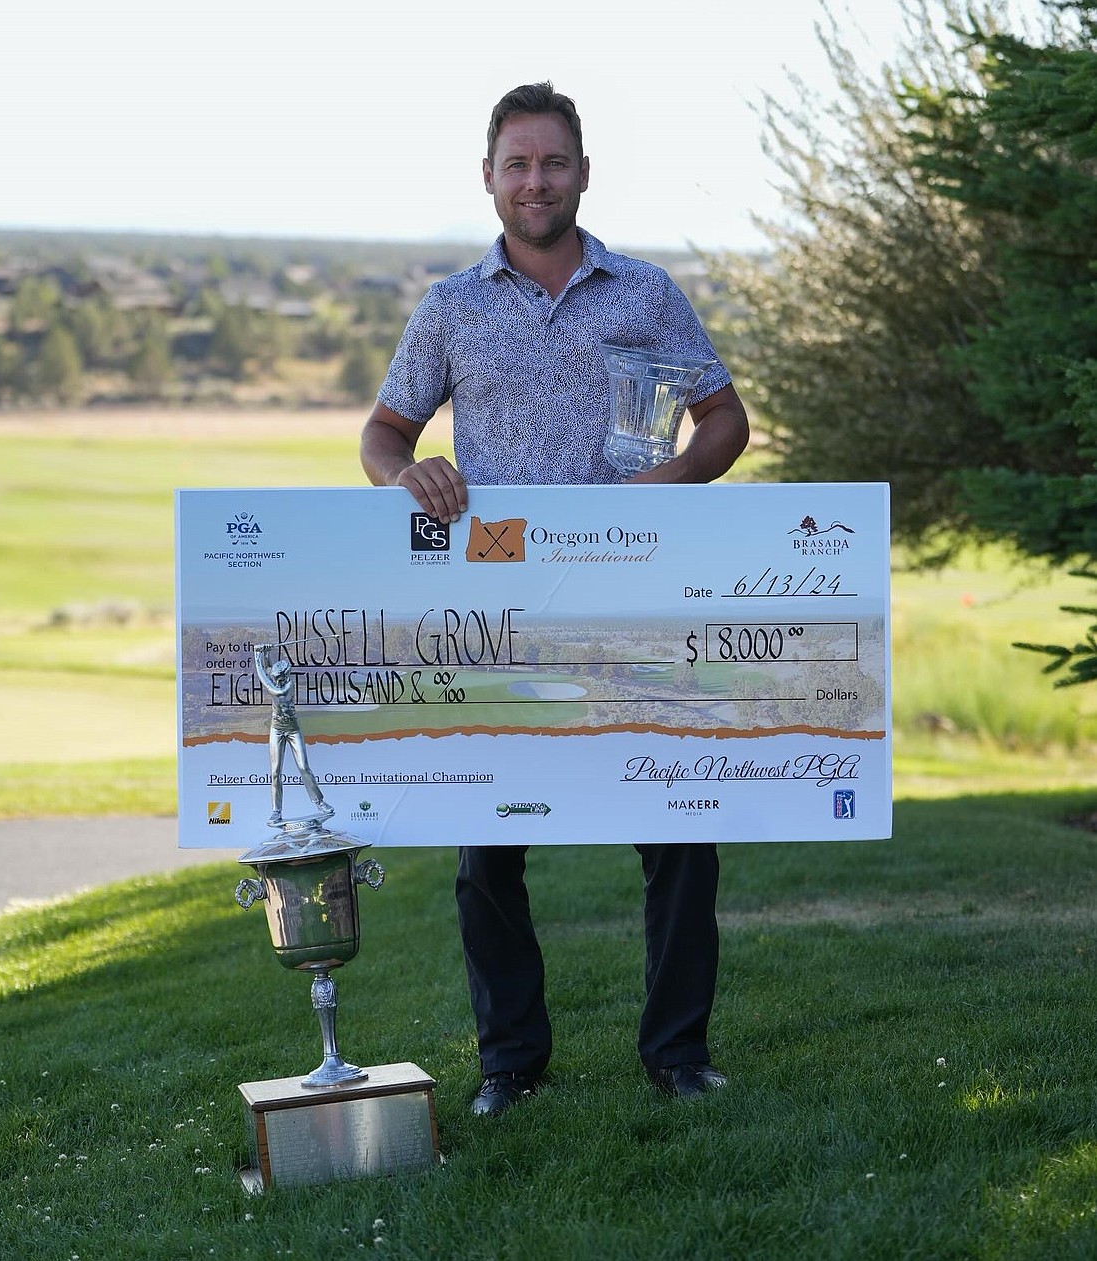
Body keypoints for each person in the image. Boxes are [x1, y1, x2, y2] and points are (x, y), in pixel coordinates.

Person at [360, 82, 749, 1116]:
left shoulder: (648, 294)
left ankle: (677, 1054)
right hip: (500, 614)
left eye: (555, 162)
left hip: (634, 606)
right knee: (486, 852)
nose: (537, 181)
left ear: (584, 172)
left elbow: (723, 423)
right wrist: (409, 476)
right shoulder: (451, 306)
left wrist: (662, 486)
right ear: (489, 177)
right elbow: (383, 433)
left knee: (678, 834)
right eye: (518, 163)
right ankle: (511, 1064)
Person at [253, 643, 335, 829]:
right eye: (275, 677)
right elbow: (268, 670)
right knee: (275, 772)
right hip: (276, 729)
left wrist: (256, 656)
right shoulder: (277, 679)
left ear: (284, 677)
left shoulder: (285, 688)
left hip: (292, 729)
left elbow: (264, 678)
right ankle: (276, 811)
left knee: (304, 767)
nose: (276, 679)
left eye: (278, 677)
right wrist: (266, 653)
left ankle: (319, 802)